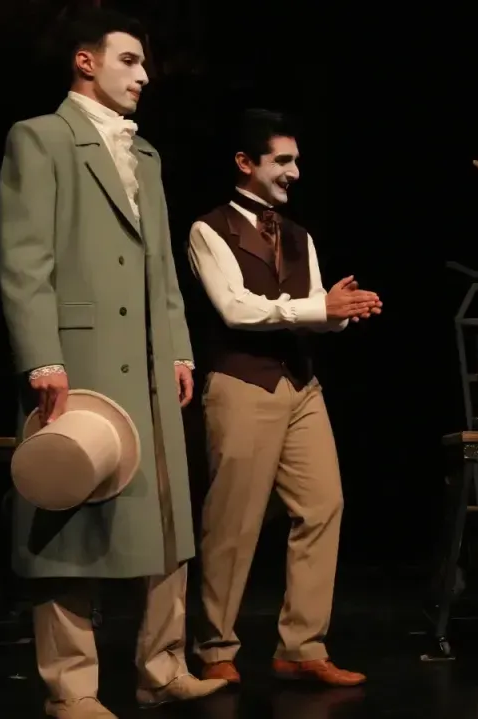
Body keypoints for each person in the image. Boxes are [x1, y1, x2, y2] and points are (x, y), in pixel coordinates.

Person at [0, 9, 228, 717]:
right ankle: (71, 689)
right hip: (82, 360)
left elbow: (161, 266)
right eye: (129, 60)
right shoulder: (41, 138)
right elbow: (24, 259)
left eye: (145, 63)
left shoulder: (145, 155)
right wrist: (42, 356)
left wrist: (179, 344)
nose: (144, 76)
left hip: (150, 364)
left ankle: (162, 667)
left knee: (166, 514)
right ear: (86, 62)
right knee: (70, 513)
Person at [187, 109, 380, 687]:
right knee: (234, 520)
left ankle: (301, 646)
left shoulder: (300, 236)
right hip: (243, 383)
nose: (295, 172)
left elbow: (312, 308)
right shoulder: (209, 229)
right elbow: (235, 308)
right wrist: (319, 308)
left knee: (323, 506)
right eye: (283, 160)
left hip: (300, 385)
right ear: (245, 163)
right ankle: (214, 646)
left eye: (297, 161)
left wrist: (340, 312)